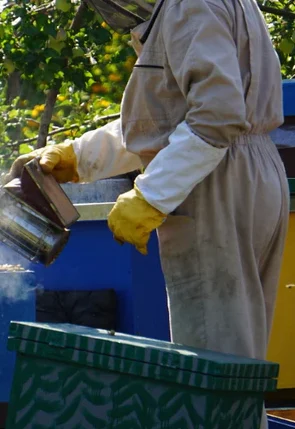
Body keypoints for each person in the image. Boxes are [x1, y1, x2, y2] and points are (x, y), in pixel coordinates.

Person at [5, 1, 289, 427]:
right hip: (242, 172)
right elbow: (165, 117)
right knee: (236, 361)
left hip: (213, 179)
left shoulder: (189, 5)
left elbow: (214, 120)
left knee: (213, 365)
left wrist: (152, 196)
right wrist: (77, 157)